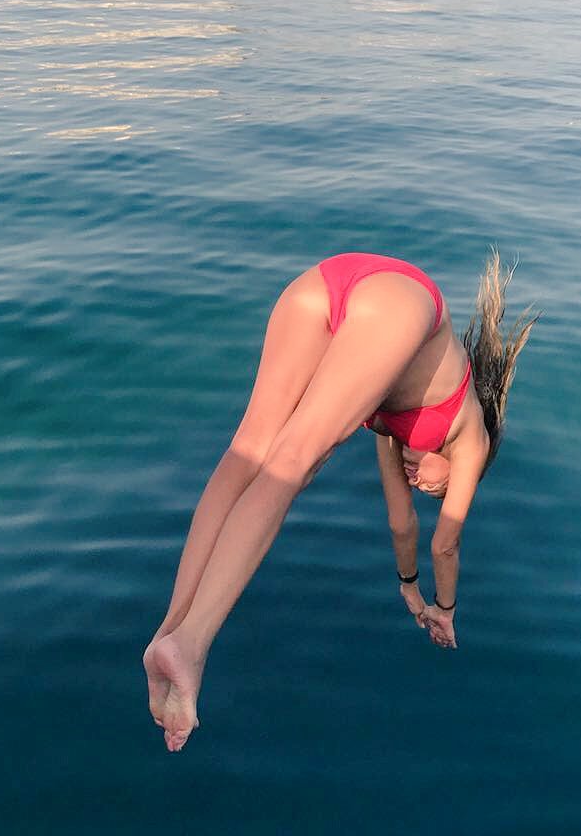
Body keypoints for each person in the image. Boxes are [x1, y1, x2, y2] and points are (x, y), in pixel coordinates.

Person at [143, 250, 536, 751]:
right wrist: (444, 608)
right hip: (402, 304)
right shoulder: (472, 440)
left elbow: (401, 524)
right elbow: (445, 544)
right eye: (439, 489)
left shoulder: (395, 432)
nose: (425, 488)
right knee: (294, 459)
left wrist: (409, 588)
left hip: (331, 281)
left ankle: (170, 631)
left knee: (250, 452)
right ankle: (192, 645)